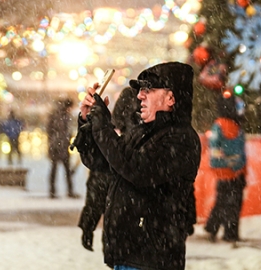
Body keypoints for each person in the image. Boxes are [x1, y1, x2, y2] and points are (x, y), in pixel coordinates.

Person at [81, 62, 201, 270]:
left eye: (148, 90)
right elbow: (99, 161)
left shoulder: (181, 138)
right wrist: (87, 123)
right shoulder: (142, 132)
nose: (139, 96)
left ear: (171, 98)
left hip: (152, 260)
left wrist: (103, 125)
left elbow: (138, 170)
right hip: (127, 255)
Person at [73, 86, 139, 252]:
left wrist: (88, 225)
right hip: (122, 232)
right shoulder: (116, 140)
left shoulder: (114, 141)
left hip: (121, 232)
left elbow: (95, 192)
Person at [204, 93, 247, 243]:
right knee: (228, 203)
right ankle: (224, 231)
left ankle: (220, 229)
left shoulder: (228, 125)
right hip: (229, 172)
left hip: (234, 172)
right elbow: (216, 150)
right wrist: (231, 162)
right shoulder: (223, 125)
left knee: (226, 202)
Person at [47, 97, 77, 199]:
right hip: (60, 145)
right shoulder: (63, 115)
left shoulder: (55, 114)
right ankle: (69, 190)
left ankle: (53, 191)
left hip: (57, 145)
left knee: (55, 169)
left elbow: (50, 130)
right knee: (65, 169)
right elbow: (64, 131)